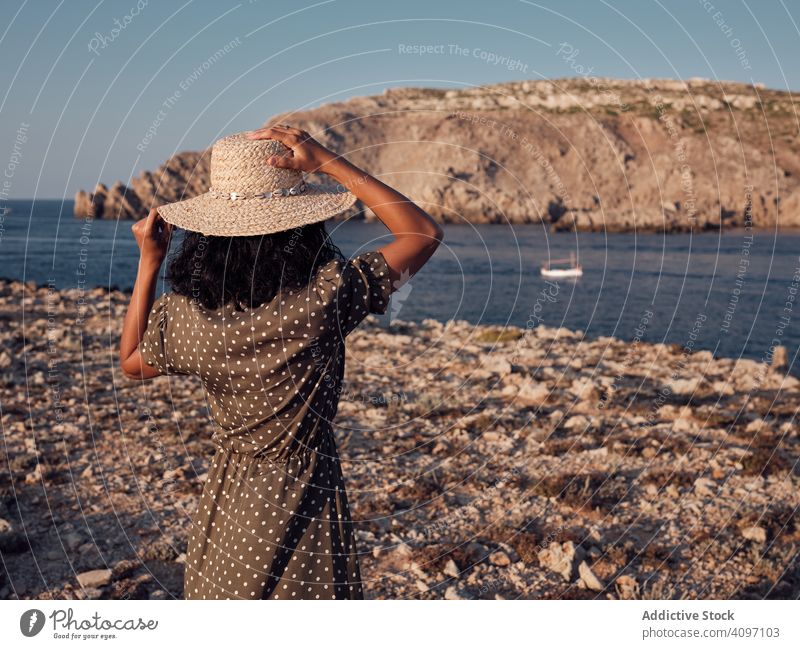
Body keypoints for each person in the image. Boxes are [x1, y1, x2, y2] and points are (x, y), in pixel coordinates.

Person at [117, 125, 442, 599]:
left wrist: (148, 263)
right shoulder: (324, 299)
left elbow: (130, 360)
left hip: (228, 506)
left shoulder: (190, 320)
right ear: (300, 225)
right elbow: (423, 232)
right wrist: (328, 161)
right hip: (307, 497)